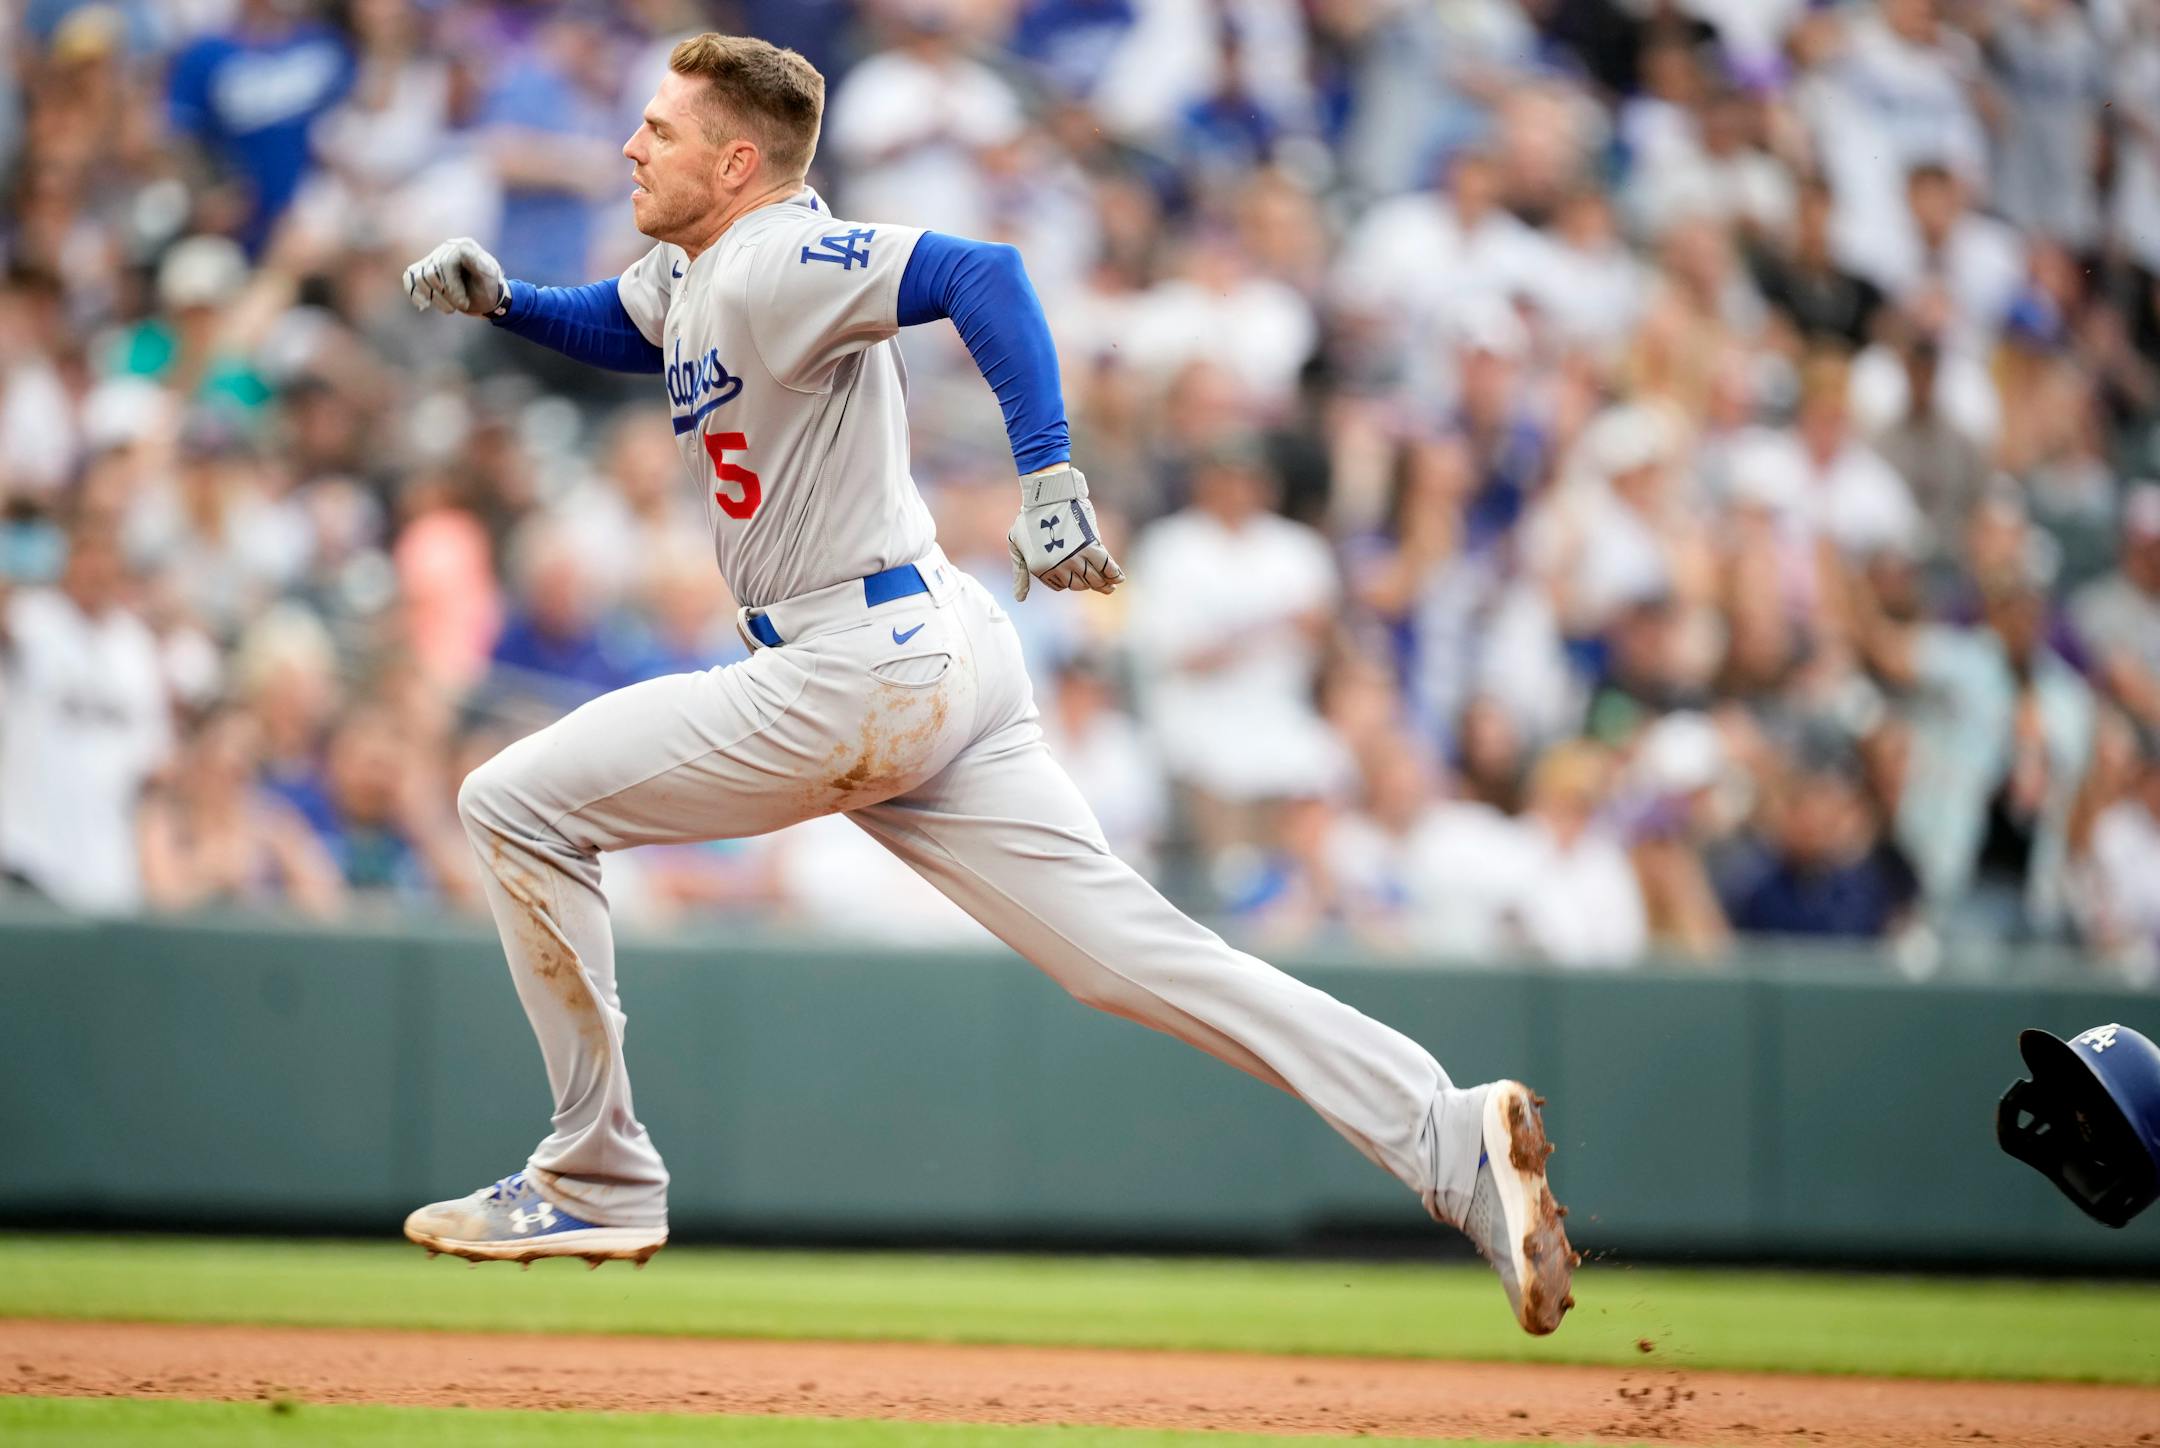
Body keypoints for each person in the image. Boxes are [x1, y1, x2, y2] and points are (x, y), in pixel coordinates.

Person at [394, 33, 1574, 1333]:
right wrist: (508, 301)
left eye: (662, 131)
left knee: (513, 804)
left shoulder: (777, 252)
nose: (630, 145)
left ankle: (597, 1170)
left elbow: (983, 272)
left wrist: (1052, 474)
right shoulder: (704, 266)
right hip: (930, 649)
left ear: (737, 161)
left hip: (848, 671)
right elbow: (635, 324)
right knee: (1133, 958)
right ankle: (1443, 1135)